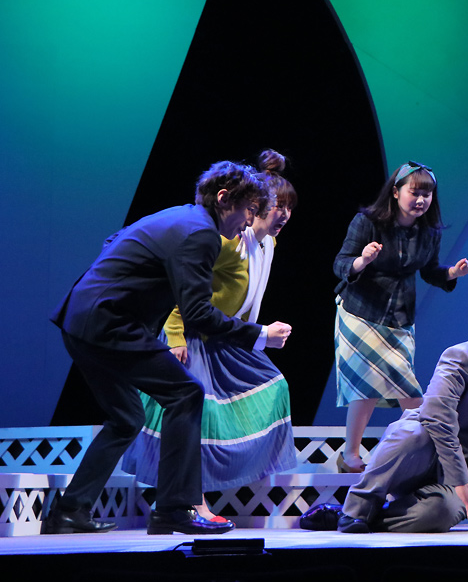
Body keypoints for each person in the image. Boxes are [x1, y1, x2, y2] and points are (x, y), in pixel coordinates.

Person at [44, 161, 292, 535]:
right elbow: (197, 314)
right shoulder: (201, 234)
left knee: (127, 418)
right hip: (107, 324)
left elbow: (114, 240)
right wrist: (258, 336)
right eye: (249, 210)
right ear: (224, 199)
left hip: (82, 320)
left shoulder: (183, 218)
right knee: (187, 393)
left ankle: (69, 511)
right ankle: (175, 507)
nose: (247, 222)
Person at [122, 150, 299, 522]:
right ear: (257, 208)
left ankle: (212, 491)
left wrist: (255, 335)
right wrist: (175, 337)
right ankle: (191, 501)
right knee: (199, 419)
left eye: (289, 208)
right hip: (196, 338)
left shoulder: (268, 244)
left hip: (227, 339)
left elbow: (247, 296)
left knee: (273, 386)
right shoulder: (229, 242)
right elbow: (183, 292)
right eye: (277, 207)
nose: (283, 214)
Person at [330, 283, 468, 533]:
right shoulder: (462, 357)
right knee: (413, 433)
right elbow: (436, 418)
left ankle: (355, 518)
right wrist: (461, 481)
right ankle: (356, 511)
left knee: (441, 512)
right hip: (427, 459)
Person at [332, 161, 468, 473]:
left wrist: (452, 273)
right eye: (415, 192)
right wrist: (362, 260)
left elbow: (430, 271)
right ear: (395, 193)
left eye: (427, 194)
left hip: (399, 318)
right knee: (375, 387)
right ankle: (355, 456)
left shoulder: (428, 232)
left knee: (396, 390)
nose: (421, 200)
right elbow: (340, 263)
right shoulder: (367, 222)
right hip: (360, 312)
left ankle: (405, 456)